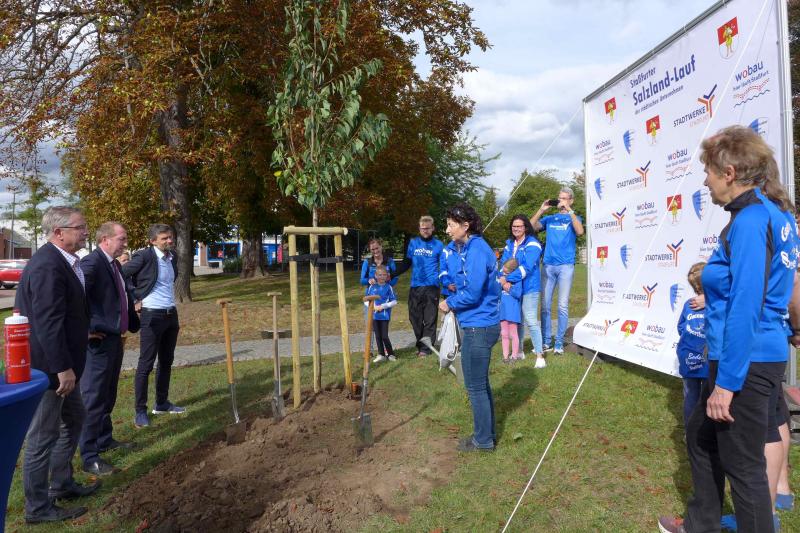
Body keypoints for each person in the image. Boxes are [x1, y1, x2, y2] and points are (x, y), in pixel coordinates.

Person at [658, 126, 797, 533]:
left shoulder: (752, 220)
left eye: (708, 172)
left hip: (746, 358)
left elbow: (745, 305)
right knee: (702, 436)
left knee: (744, 466)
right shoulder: (773, 213)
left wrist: (727, 384)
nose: (705, 181)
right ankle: (701, 524)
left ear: (730, 172)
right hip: (751, 353)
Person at [15, 206, 99, 523]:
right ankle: (37, 508)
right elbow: (47, 323)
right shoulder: (48, 265)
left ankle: (61, 483)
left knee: (75, 418)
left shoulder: (63, 261)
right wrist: (62, 368)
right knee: (42, 436)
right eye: (80, 227)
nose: (86, 232)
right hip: (51, 370)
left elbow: (65, 313)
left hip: (65, 366)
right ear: (58, 232)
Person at [79, 222, 140, 477]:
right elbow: (74, 295)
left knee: (108, 394)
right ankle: (89, 456)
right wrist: (85, 328)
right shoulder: (92, 263)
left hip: (115, 339)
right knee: (94, 397)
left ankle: (104, 439)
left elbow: (121, 296)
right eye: (121, 239)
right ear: (105, 239)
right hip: (98, 342)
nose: (125, 244)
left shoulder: (114, 265)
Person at [438, 203, 500, 452]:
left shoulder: (477, 250)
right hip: (478, 324)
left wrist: (450, 303)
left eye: (451, 225)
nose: (447, 230)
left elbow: (473, 293)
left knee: (475, 387)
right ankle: (487, 435)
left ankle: (482, 441)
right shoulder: (467, 248)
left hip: (479, 326)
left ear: (466, 225)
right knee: (480, 384)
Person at [122, 223, 184, 429]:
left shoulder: (172, 257)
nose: (169, 240)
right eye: (164, 238)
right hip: (151, 315)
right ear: (153, 241)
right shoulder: (144, 256)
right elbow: (121, 274)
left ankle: (162, 403)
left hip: (171, 314)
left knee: (166, 361)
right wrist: (134, 298)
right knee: (146, 364)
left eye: (170, 237)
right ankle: (140, 411)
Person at [531, 187, 584, 355]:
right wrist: (541, 210)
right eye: (559, 198)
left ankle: (559, 342)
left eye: (564, 198)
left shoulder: (574, 217)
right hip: (548, 266)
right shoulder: (550, 218)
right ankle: (546, 341)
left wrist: (569, 210)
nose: (560, 201)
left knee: (562, 306)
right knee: (545, 306)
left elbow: (580, 231)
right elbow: (530, 227)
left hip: (566, 267)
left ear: (571, 200)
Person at [394, 216, 444, 357]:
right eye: (422, 228)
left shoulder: (439, 245)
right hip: (415, 286)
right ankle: (421, 344)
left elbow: (445, 266)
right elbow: (406, 263)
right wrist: (391, 274)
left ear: (432, 228)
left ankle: (426, 349)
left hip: (431, 286)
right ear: (419, 228)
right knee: (414, 318)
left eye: (428, 228)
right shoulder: (413, 243)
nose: (425, 231)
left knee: (429, 319)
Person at [499, 214, 545, 368]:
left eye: (519, 226)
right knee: (517, 321)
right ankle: (518, 352)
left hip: (529, 287)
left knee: (531, 320)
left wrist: (507, 279)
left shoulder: (533, 244)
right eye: (514, 226)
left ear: (526, 227)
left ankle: (540, 356)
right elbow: (503, 265)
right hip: (512, 288)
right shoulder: (509, 244)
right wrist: (502, 279)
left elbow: (527, 267)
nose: (516, 228)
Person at [676, 262, 707, 429]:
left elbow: (681, 327)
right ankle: (702, 432)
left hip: (687, 356)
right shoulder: (718, 304)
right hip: (707, 358)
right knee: (708, 396)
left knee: (690, 395)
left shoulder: (689, 304)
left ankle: (690, 432)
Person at [365, 265, 398, 363]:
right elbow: (366, 300)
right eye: (380, 275)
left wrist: (383, 306)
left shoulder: (389, 287)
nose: (382, 276)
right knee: (378, 336)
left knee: (384, 336)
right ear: (375, 275)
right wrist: (373, 306)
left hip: (384, 316)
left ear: (387, 276)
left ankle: (391, 354)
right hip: (374, 316)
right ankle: (381, 354)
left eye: (384, 275)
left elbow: (394, 301)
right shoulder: (372, 287)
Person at [498, 258, 523, 364]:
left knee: (513, 333)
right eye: (503, 271)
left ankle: (514, 356)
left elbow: (518, 293)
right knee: (504, 333)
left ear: (512, 271)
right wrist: (502, 285)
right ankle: (505, 357)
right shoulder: (501, 277)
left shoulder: (517, 280)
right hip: (503, 309)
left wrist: (508, 288)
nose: (504, 274)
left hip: (513, 310)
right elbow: (496, 290)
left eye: (506, 272)